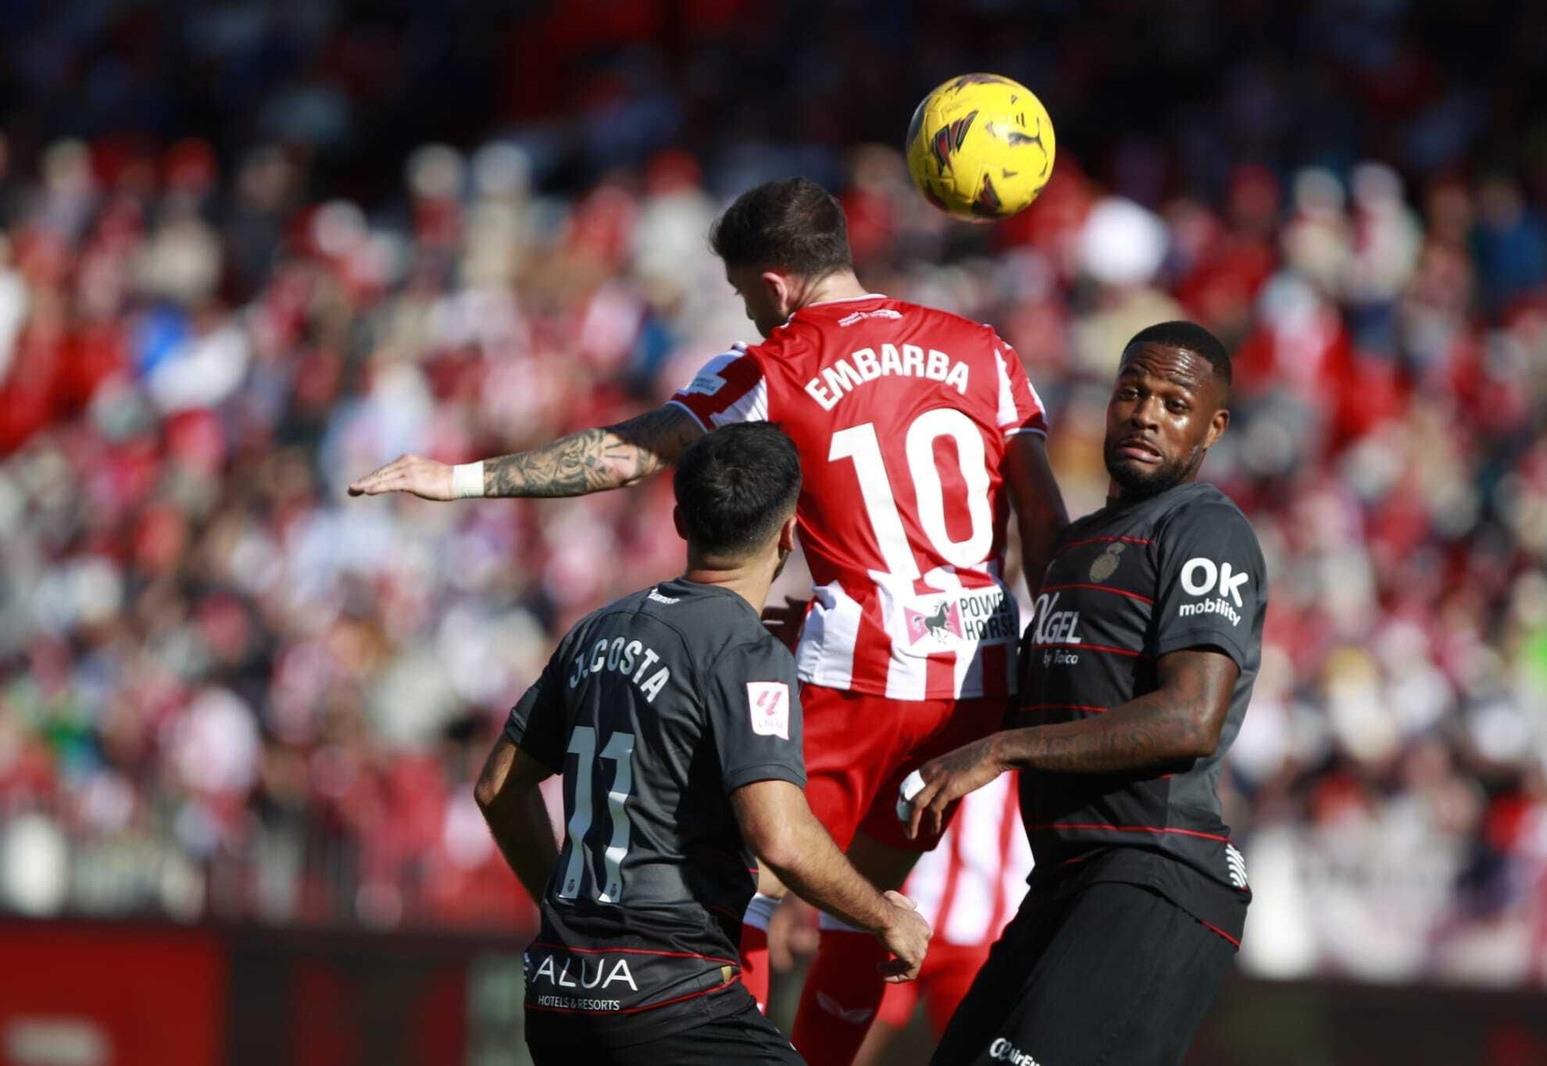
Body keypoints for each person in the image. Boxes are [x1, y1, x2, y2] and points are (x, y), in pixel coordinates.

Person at [352, 177, 1066, 1062]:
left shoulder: (771, 366)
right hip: (978, 681)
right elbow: (1044, 520)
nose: (749, 313)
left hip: (860, 673)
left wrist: (459, 479)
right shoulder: (986, 351)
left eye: (742, 293)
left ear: (773, 283)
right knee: (867, 902)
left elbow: (627, 454)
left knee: (749, 885)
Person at [473, 423, 929, 1065]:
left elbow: (497, 787)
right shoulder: (746, 651)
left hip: (558, 995)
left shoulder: (596, 628)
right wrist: (884, 916)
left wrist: (569, 919)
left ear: (681, 521)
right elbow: (779, 838)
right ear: (790, 532)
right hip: (669, 1000)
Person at [901, 321, 1268, 1065]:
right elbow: (1041, 542)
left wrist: (1001, 750)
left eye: (1174, 404)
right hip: (1066, 881)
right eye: (1132, 393)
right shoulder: (1083, 547)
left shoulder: (1204, 529)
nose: (1145, 415)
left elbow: (1190, 718)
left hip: (1155, 877)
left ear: (1213, 428)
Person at [851, 773, 1030, 1065]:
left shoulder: (1029, 756)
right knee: (845, 1045)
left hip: (982, 938)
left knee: (976, 1055)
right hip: (896, 920)